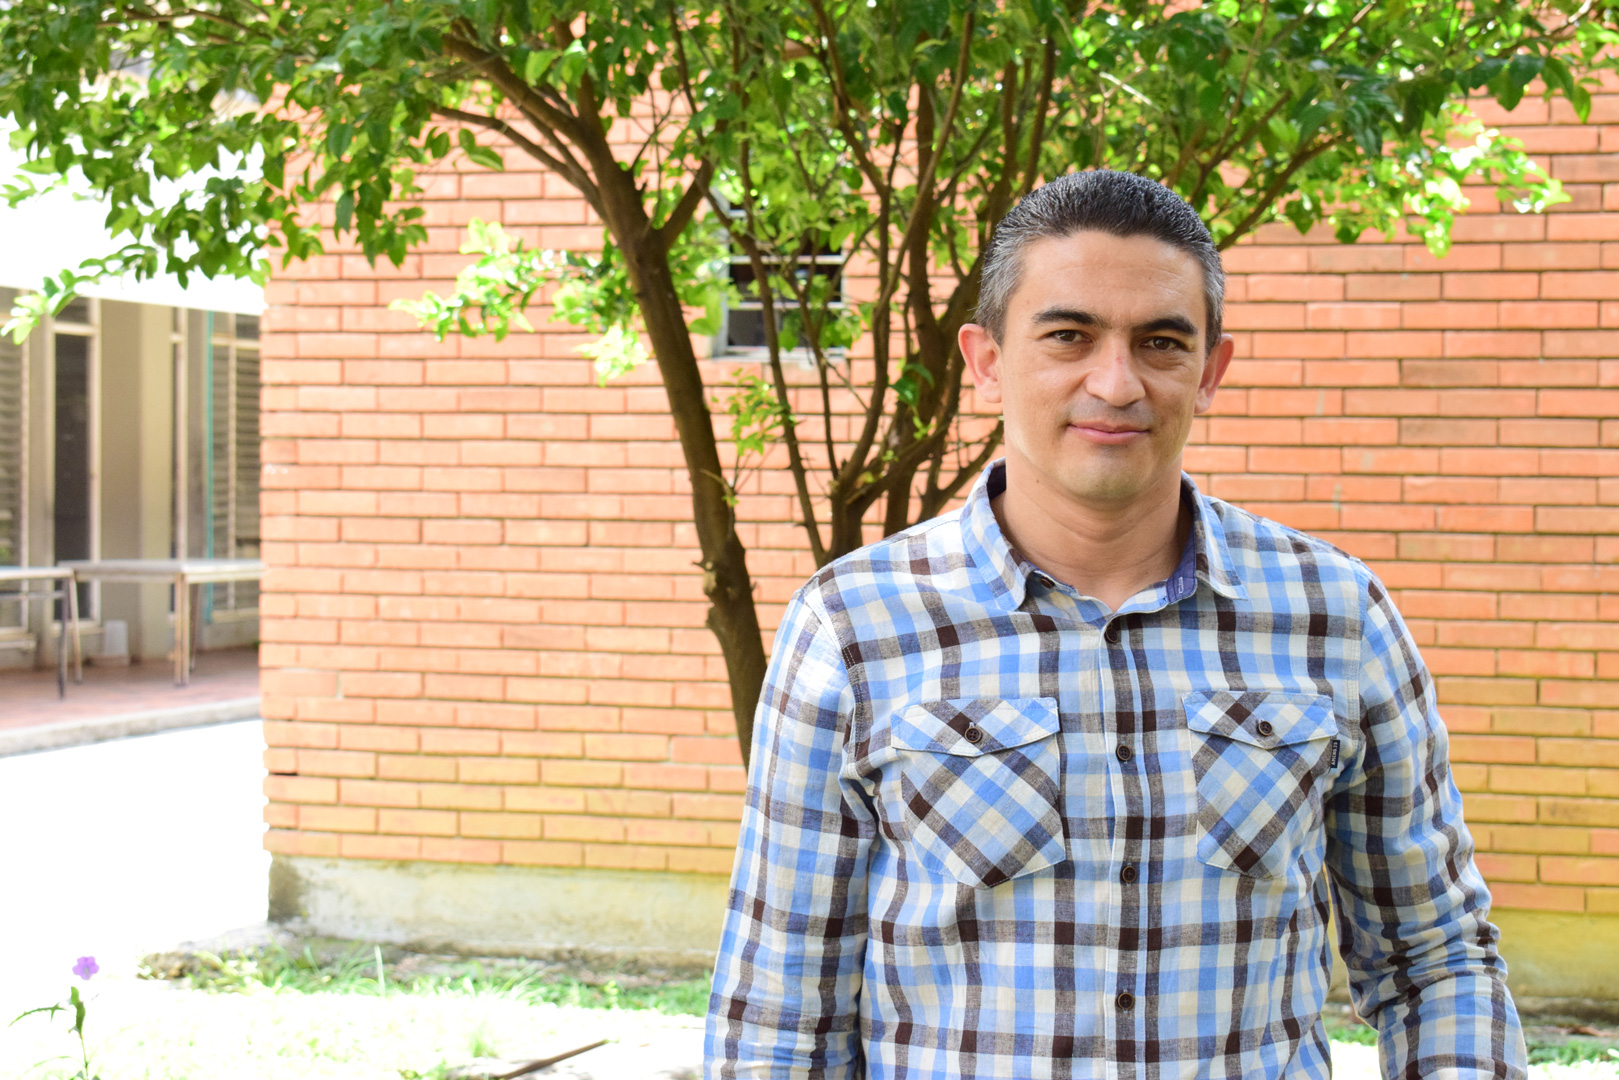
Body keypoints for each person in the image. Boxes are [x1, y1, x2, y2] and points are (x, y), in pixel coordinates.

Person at [704, 170, 1524, 1079]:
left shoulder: (1334, 614)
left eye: (1160, 343)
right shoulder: (853, 624)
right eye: (1068, 336)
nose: (1116, 382)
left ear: (1209, 371)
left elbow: (1435, 962)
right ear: (986, 360)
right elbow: (782, 1012)